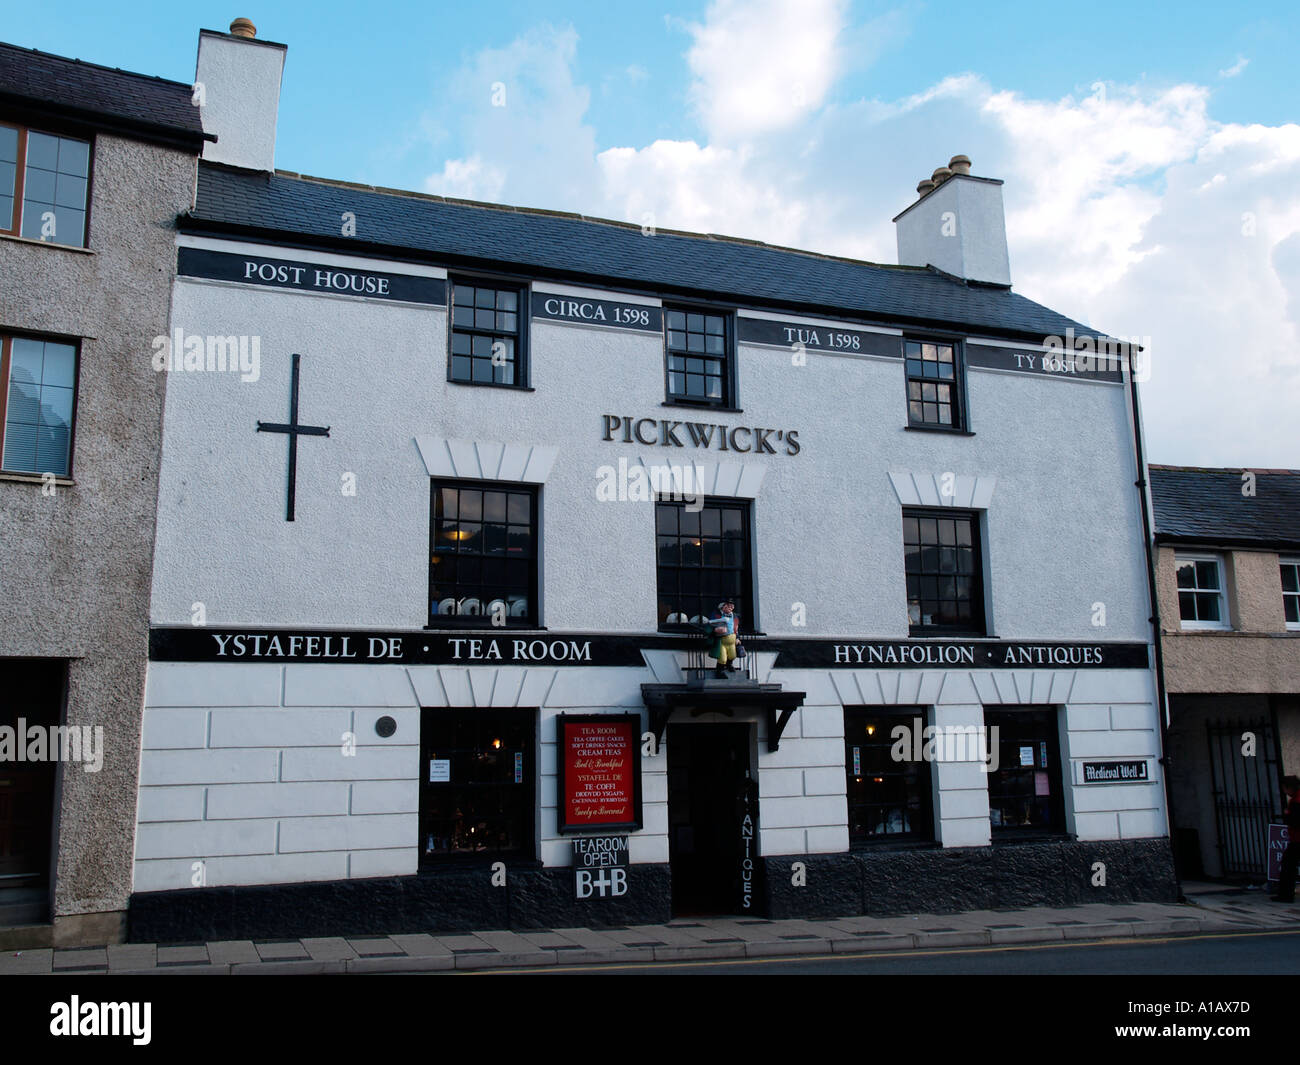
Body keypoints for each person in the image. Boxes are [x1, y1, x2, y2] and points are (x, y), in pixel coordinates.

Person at [1272, 775, 1300, 903]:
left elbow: (1295, 821)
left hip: (1297, 839)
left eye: (1284, 788)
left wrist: (1287, 815)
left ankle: (1285, 894)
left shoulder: (1296, 801)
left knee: (1288, 866)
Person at [705, 599, 739, 678]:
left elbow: (736, 628)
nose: (730, 607)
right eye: (728, 605)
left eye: (732, 606)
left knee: (732, 655)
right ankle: (720, 671)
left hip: (732, 640)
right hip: (722, 640)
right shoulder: (716, 615)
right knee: (722, 658)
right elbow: (709, 626)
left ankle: (729, 665)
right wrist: (715, 630)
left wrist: (737, 637)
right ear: (722, 607)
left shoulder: (735, 616)